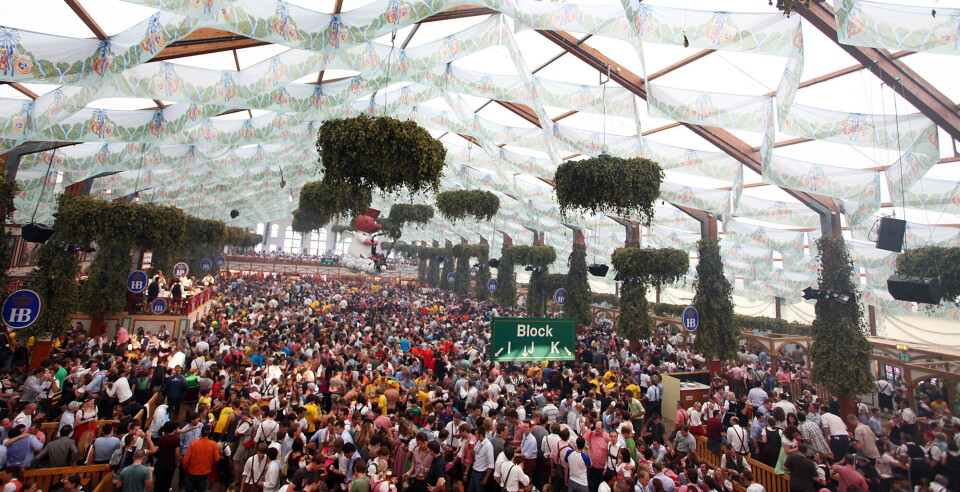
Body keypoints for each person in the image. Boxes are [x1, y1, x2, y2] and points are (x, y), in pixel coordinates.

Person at [182, 426, 220, 492]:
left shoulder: (194, 443)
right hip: (204, 473)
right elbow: (216, 459)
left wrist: (186, 469)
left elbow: (185, 460)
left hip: (191, 472)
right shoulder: (213, 444)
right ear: (209, 433)